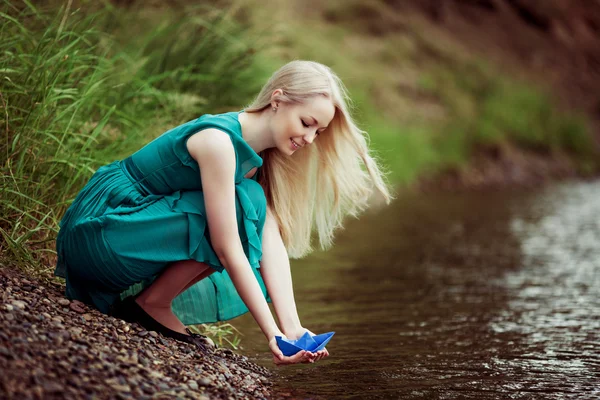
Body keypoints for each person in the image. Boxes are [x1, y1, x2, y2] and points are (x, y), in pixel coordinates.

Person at [54, 60, 391, 366]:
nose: (309, 138)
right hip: (100, 234)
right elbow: (226, 247)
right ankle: (152, 303)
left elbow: (268, 237)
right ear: (277, 99)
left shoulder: (254, 163)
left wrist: (293, 329)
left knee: (252, 202)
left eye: (318, 132)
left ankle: (152, 303)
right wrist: (271, 335)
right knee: (246, 205)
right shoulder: (219, 143)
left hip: (129, 235)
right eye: (306, 123)